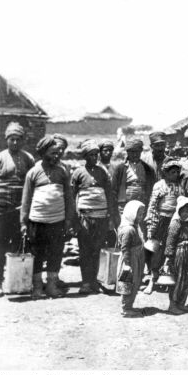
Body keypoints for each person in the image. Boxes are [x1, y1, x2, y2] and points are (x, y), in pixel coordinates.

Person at [0, 122, 35, 297]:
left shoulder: (28, 158)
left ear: (22, 141)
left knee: (20, 244)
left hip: (21, 210)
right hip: (1, 210)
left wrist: (29, 210)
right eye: (11, 139)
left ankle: (15, 279)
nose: (14, 143)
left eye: (18, 139)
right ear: (7, 140)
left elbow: (33, 185)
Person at [21, 136, 75, 299]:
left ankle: (51, 285)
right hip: (37, 222)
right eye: (52, 153)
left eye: (58, 153)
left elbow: (68, 198)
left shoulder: (62, 172)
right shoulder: (33, 172)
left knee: (55, 252)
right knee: (37, 253)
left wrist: (67, 220)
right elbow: (26, 199)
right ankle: (37, 287)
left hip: (57, 221)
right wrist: (24, 222)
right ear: (43, 153)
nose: (56, 156)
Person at [71, 140, 119, 294]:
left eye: (95, 155)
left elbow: (110, 195)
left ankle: (94, 281)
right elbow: (71, 197)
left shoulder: (103, 172)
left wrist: (111, 217)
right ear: (85, 156)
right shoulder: (78, 173)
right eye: (90, 155)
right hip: (84, 218)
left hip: (101, 218)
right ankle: (85, 281)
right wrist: (74, 217)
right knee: (85, 250)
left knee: (97, 249)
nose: (94, 158)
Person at [143, 159, 182, 294]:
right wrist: (151, 226)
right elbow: (153, 206)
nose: (175, 175)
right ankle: (152, 281)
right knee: (156, 252)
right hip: (160, 221)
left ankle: (167, 280)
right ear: (165, 173)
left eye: (177, 172)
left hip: (174, 221)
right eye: (172, 172)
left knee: (170, 250)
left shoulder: (179, 187)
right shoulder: (159, 185)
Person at [163, 197, 188, 314]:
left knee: (187, 278)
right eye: (183, 211)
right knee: (178, 279)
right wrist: (168, 257)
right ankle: (173, 305)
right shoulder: (176, 223)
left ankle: (181, 303)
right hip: (179, 254)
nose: (185, 214)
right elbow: (170, 242)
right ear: (178, 210)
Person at [116, 200, 146, 318]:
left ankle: (129, 305)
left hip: (136, 259)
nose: (141, 217)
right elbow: (125, 248)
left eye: (142, 214)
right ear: (131, 213)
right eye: (139, 214)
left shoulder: (135, 227)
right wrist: (127, 264)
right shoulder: (128, 230)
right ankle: (126, 308)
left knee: (135, 283)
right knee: (128, 283)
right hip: (130, 261)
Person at [112, 138, 155, 211]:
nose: (135, 155)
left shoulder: (148, 169)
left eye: (137, 152)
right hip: (124, 206)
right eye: (132, 152)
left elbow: (151, 189)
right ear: (127, 152)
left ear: (141, 151)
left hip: (142, 205)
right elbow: (114, 190)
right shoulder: (120, 169)